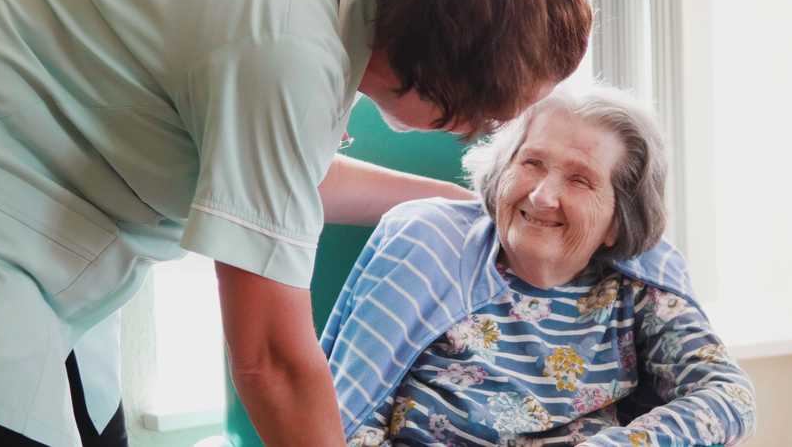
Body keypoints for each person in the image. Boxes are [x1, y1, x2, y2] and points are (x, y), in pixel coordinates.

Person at [0, 0, 591, 447]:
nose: (472, 131)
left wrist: (461, 203)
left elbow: (282, 179)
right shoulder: (289, 48)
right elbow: (271, 360)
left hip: (36, 245)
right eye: (485, 113)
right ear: (448, 67)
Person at [322, 86, 757, 446]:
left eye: (579, 179)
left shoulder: (637, 278)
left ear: (617, 220)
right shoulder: (427, 246)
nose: (542, 196)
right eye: (531, 163)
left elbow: (727, 394)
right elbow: (347, 421)